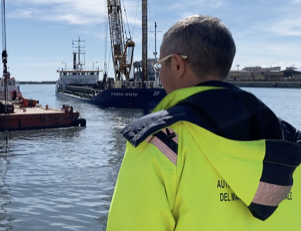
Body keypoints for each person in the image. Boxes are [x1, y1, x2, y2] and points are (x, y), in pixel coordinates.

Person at [107, 15, 301, 230]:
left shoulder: (156, 143)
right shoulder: (289, 141)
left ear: (178, 65)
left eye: (160, 65)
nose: (159, 73)